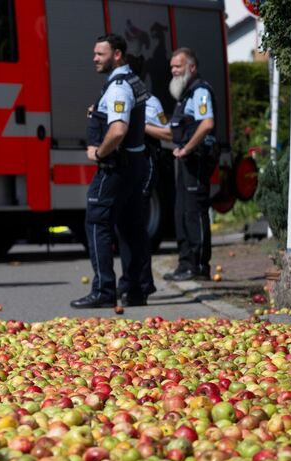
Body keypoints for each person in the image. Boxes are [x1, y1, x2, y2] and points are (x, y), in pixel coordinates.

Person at [71, 33, 150, 309]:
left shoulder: (118, 87)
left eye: (100, 54)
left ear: (117, 54)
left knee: (97, 222)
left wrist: (99, 152)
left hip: (116, 166)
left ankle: (104, 290)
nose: (94, 58)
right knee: (131, 228)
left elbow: (118, 130)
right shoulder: (130, 82)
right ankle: (135, 289)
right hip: (133, 166)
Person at [159, 47, 218, 281]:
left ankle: (199, 266)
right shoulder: (185, 95)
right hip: (187, 159)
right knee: (181, 210)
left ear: (191, 68)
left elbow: (207, 124)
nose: (173, 70)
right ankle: (185, 264)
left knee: (194, 211)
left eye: (178, 66)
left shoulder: (200, 91)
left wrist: (188, 148)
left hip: (198, 157)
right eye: (172, 66)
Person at [116, 55, 169, 301]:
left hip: (144, 164)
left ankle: (142, 284)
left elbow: (167, 133)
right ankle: (130, 281)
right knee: (125, 228)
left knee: (137, 227)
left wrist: (136, 124)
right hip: (125, 167)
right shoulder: (118, 94)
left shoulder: (149, 101)